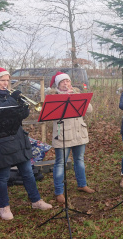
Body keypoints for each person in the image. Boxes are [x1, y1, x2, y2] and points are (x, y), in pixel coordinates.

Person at [0, 66, 52, 220]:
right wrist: (13, 100)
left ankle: (36, 200)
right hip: (0, 140)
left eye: (7, 80)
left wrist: (24, 106)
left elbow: (21, 116)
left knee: (28, 172)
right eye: (2, 80)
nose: (5, 83)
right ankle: (4, 207)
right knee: (3, 176)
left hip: (17, 137)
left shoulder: (9, 94)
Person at [48, 71, 94, 204]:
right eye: (63, 82)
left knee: (79, 159)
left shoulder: (77, 93)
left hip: (79, 132)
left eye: (67, 81)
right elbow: (50, 115)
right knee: (60, 163)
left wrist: (78, 97)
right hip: (63, 134)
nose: (66, 84)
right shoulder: (53, 96)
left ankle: (82, 184)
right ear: (58, 84)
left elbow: (89, 110)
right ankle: (59, 192)